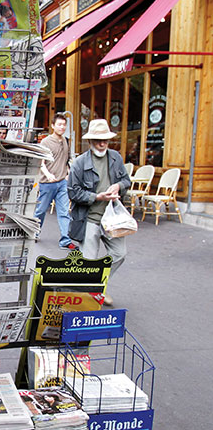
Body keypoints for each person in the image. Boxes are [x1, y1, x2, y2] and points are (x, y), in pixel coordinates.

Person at [67, 119, 131, 306]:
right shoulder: (79, 163)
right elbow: (73, 191)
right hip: (89, 219)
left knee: (120, 253)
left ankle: (97, 285)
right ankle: (91, 291)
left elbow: (127, 181)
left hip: (112, 219)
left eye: (105, 140)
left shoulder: (115, 158)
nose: (102, 144)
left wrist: (118, 186)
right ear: (90, 141)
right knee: (88, 262)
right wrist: (97, 197)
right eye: (98, 140)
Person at [34, 113, 76, 250]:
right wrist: (48, 174)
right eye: (59, 124)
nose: (62, 127)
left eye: (64, 125)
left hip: (62, 183)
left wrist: (68, 174)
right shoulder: (45, 142)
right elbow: (41, 163)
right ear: (53, 126)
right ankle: (34, 231)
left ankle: (65, 239)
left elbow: (67, 160)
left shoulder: (65, 140)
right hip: (47, 183)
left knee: (64, 212)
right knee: (40, 210)